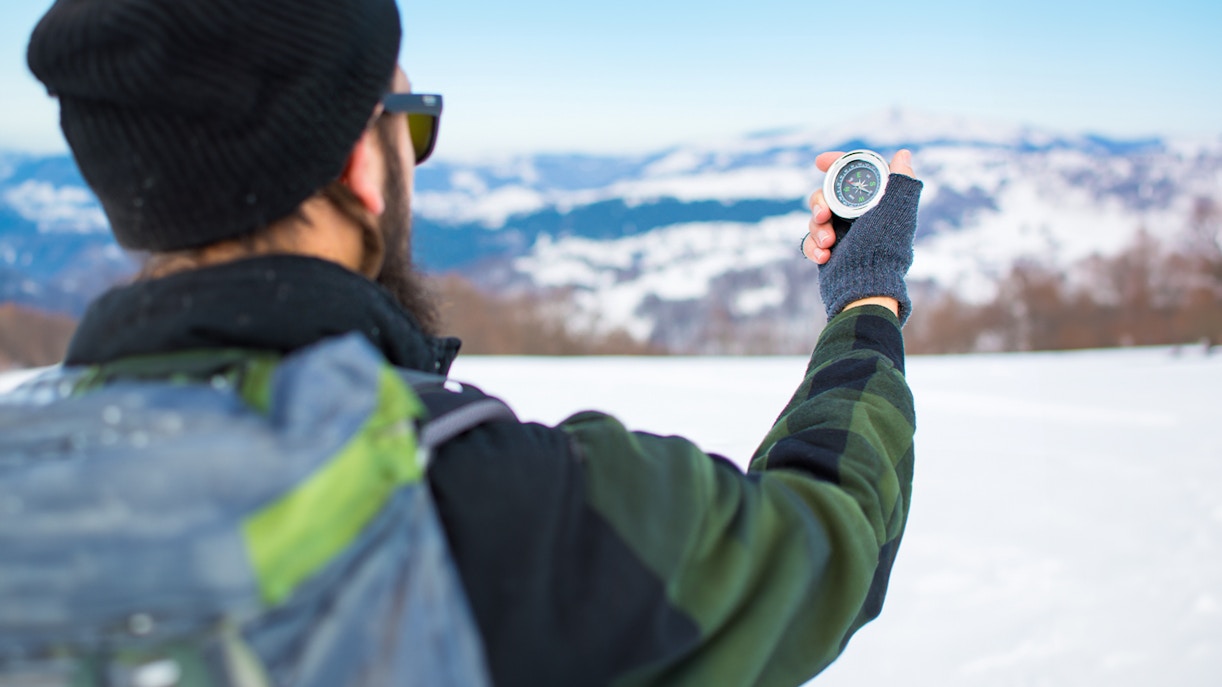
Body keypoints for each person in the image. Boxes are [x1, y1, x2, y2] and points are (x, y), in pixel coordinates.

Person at [11, 0, 921, 684]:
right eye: (411, 122)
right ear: (359, 166)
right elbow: (827, 540)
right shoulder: (504, 505)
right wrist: (865, 295)